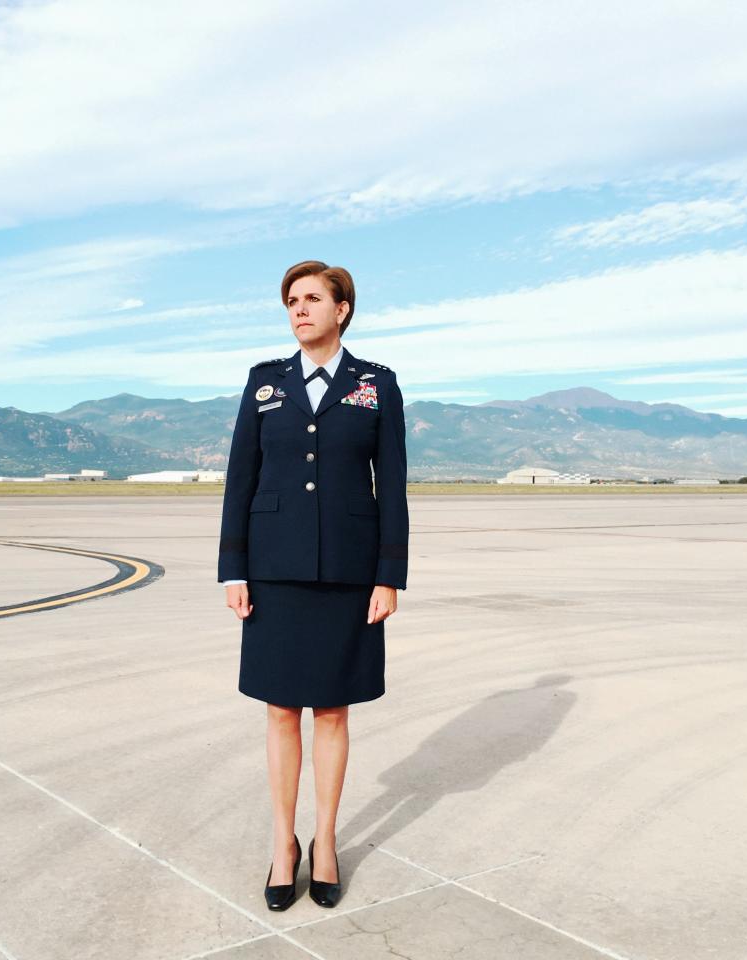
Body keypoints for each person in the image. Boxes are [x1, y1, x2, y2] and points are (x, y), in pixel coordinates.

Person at [217, 260, 409, 911]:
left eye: (311, 300)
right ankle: (283, 844)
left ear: (342, 309)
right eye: (292, 301)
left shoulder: (375, 386)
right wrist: (233, 567)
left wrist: (389, 576)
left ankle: (324, 841)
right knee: (279, 712)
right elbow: (240, 477)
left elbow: (394, 490)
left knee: (331, 710)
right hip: (273, 573)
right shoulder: (264, 384)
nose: (299, 310)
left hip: (348, 575)